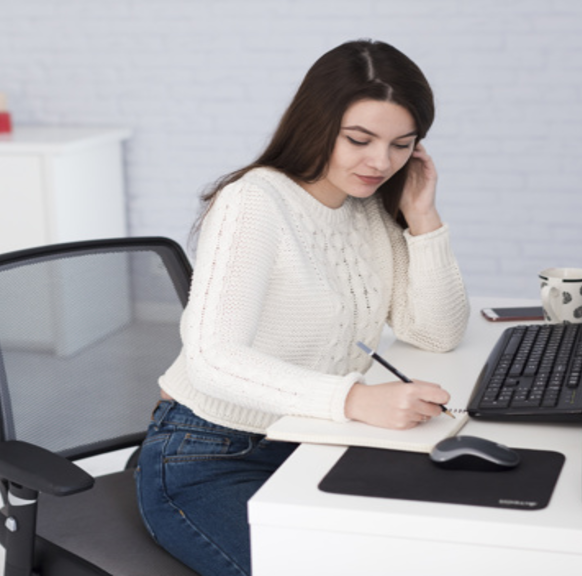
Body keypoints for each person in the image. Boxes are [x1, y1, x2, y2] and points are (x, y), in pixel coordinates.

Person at [135, 39, 470, 576]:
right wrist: (355, 399)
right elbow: (212, 358)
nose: (381, 162)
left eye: (402, 145)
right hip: (211, 456)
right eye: (359, 139)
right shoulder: (255, 201)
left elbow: (435, 332)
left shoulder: (369, 207)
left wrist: (423, 217)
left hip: (315, 439)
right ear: (316, 124)